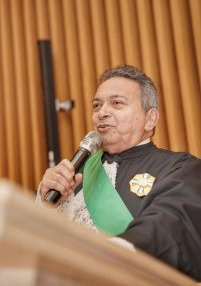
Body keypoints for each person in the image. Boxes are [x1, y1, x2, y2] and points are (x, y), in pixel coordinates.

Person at [38, 65, 201, 281]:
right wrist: (45, 202)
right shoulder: (74, 173)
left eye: (117, 103)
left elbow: (171, 224)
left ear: (150, 118)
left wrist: (103, 260)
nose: (102, 113)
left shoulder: (180, 167)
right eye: (97, 105)